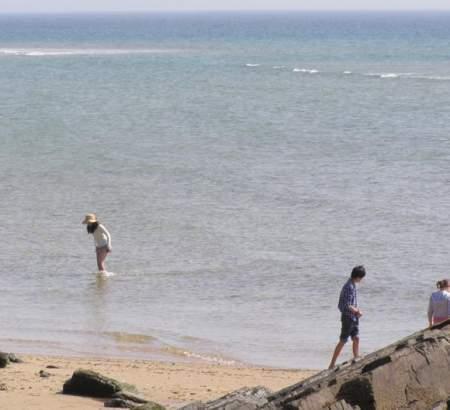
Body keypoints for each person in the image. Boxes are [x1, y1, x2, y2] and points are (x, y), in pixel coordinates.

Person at [328, 265, 366, 369]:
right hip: (348, 318)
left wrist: (356, 313)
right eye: (361, 277)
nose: (362, 280)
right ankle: (332, 364)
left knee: (356, 338)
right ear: (358, 276)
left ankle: (356, 358)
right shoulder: (349, 286)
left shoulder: (352, 284)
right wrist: (357, 311)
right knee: (343, 340)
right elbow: (346, 305)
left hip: (353, 317)